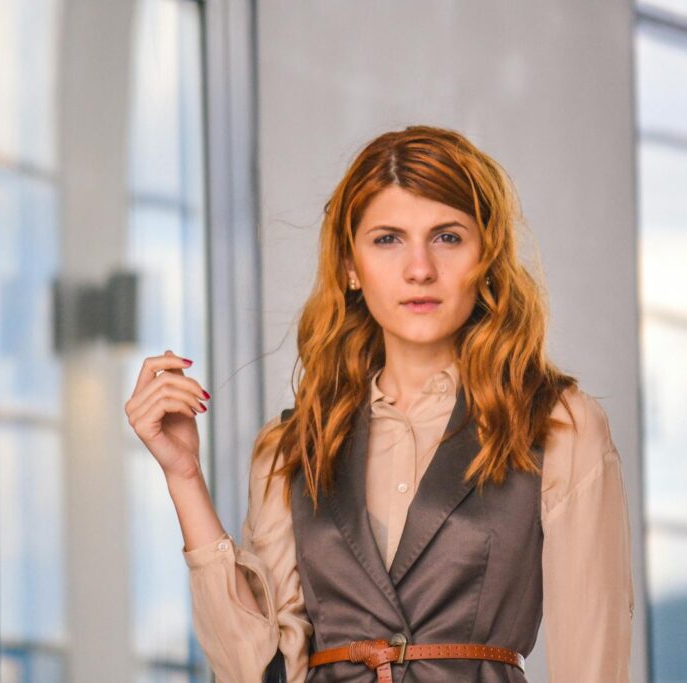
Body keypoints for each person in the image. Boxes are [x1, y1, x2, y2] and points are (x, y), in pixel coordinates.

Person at [125, 125, 634, 682]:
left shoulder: (558, 425)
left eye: (447, 237)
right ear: (349, 266)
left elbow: (593, 659)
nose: (419, 269)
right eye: (387, 239)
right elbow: (260, 673)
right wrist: (185, 478)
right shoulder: (292, 447)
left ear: (486, 256)